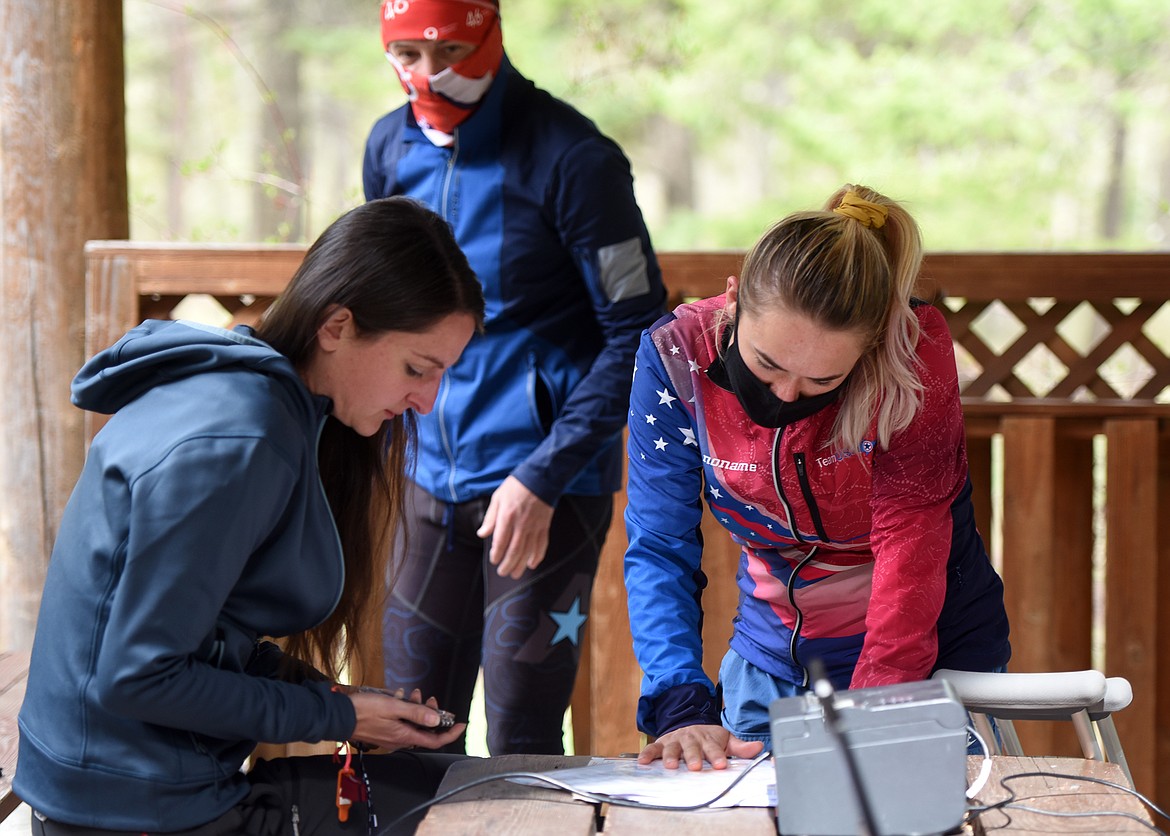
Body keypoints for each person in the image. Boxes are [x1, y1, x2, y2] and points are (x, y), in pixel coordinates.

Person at [15, 197, 486, 834]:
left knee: (450, 787)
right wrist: (339, 719)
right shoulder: (243, 440)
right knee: (467, 809)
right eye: (416, 369)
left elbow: (205, 640)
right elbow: (137, 675)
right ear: (337, 326)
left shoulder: (259, 404)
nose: (426, 403)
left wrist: (340, 701)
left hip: (129, 783)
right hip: (127, 809)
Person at [363, 0, 666, 755]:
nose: (429, 76)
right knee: (407, 727)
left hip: (546, 486)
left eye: (453, 52)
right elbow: (379, 304)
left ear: (492, 33)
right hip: (426, 473)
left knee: (524, 727)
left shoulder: (576, 159)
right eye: (407, 54)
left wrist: (543, 476)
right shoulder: (387, 145)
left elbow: (638, 332)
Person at [623, 185, 1012, 771]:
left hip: (929, 655)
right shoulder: (677, 357)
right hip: (772, 658)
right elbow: (660, 542)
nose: (785, 394)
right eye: (766, 363)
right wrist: (680, 702)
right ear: (734, 298)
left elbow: (913, 537)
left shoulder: (912, 354)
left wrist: (879, 703)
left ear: (870, 350)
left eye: (822, 382)